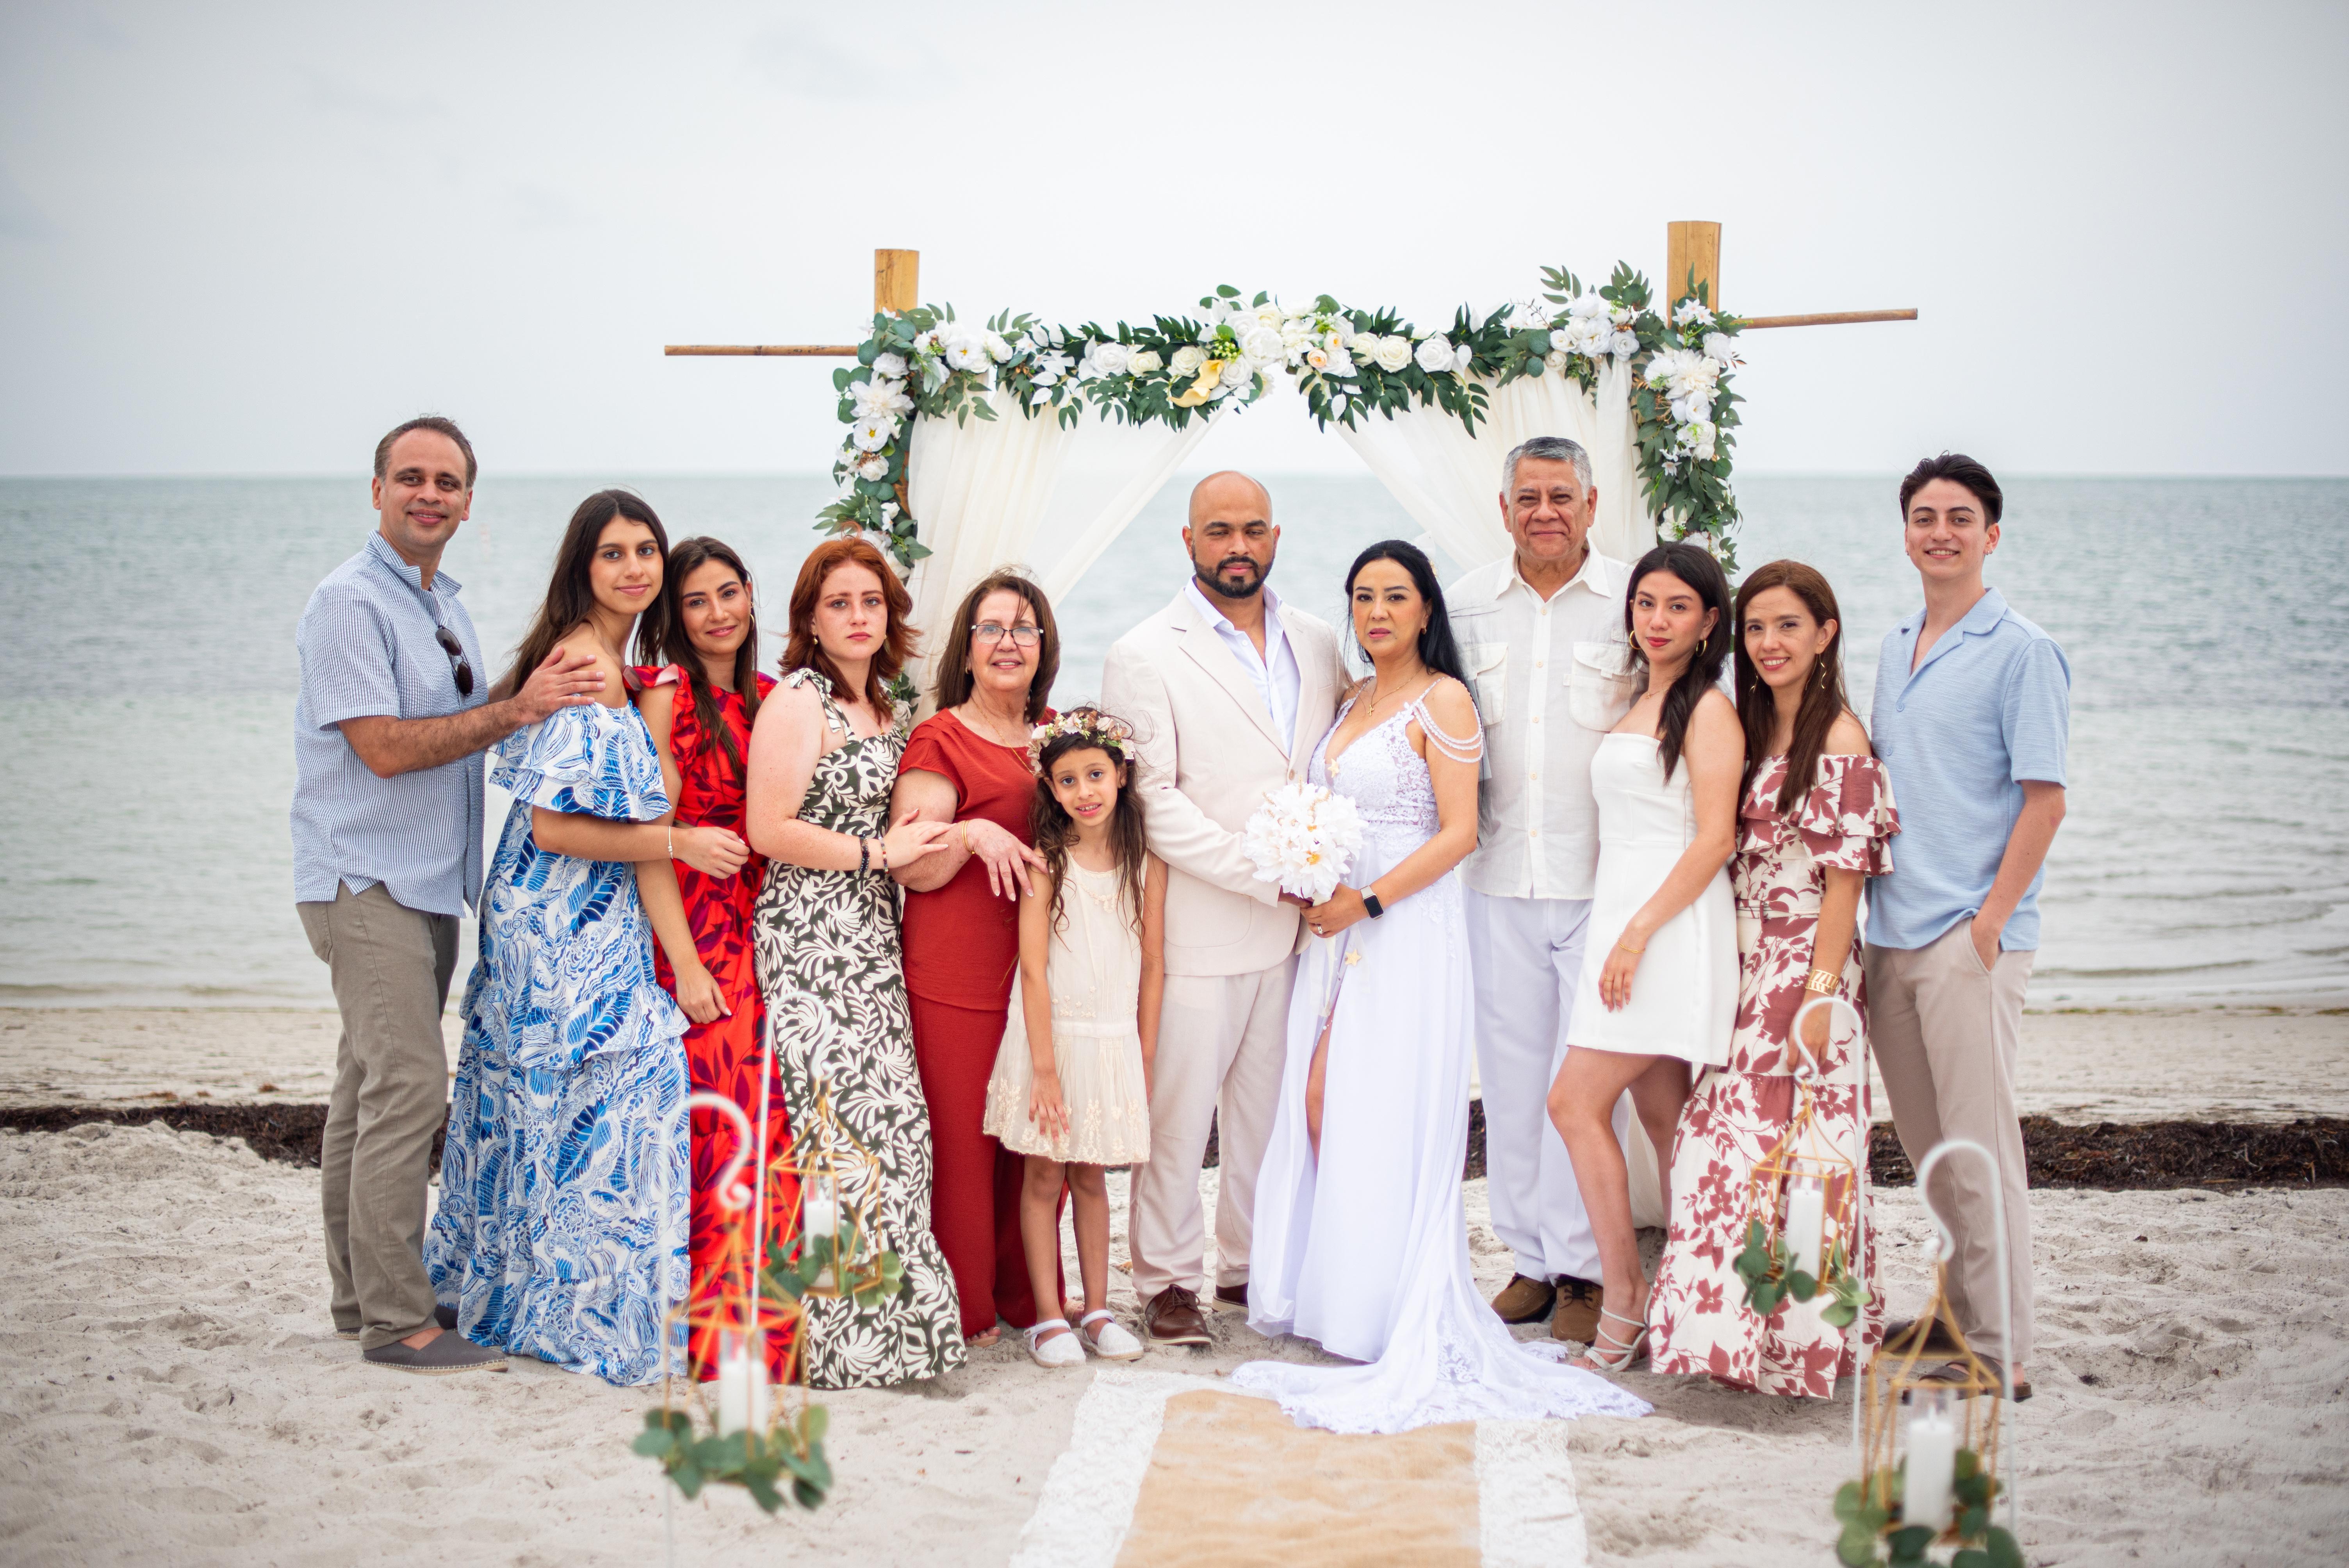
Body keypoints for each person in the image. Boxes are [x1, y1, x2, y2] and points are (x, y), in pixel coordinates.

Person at [1231, 542, 1650, 1434]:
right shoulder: (1350, 699)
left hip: (1404, 927)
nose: (1376, 612)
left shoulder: (1444, 699)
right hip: (1337, 925)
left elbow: (1459, 832)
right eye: (1362, 597)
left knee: (1367, 1103)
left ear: (1426, 609)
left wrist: (1367, 899)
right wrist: (1307, 869)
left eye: (1395, 596)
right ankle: (1340, 1293)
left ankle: (1384, 1302)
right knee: (1319, 1102)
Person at [292, 415, 602, 1376]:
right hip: (366, 877)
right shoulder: (349, 603)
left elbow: (469, 715)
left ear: (468, 504)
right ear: (377, 490)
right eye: (411, 477)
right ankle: (396, 1321)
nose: (429, 495)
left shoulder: (436, 604)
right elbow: (384, 748)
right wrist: (517, 709)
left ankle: (359, 1297)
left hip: (426, 884)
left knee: (366, 1092)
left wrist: (543, 685)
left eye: (448, 483)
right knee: (409, 1090)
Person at [427, 489, 722, 1386]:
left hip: (581, 915)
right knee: (611, 1097)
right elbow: (556, 828)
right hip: (555, 921)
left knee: (553, 1110)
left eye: (646, 551)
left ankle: (531, 1297)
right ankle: (570, 1310)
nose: (635, 568)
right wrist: (679, 845)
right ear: (582, 567)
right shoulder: (583, 664)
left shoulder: (614, 664)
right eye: (613, 553)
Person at [1099, 471, 1348, 1348]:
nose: (1237, 546)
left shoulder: (1318, 640)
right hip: (1198, 929)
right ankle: (1167, 1282)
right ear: (1188, 540)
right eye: (1218, 531)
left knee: (1266, 1120)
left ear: (1275, 536)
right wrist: (1265, 874)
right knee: (1177, 1120)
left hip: (1298, 936)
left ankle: (1248, 1266)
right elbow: (1153, 800)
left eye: (1252, 529)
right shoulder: (1142, 652)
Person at [1647, 560, 1895, 1397]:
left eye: (1788, 625)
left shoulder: (1840, 738)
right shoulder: (1752, 729)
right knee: (1729, 1151)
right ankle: (1730, 1341)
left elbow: (1846, 884)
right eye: (1755, 627)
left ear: (1826, 633)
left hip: (1805, 965)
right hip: (1742, 964)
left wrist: (1819, 998)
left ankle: (1794, 1348)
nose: (1768, 643)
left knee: (1794, 1158)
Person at [1865, 454, 2068, 1401]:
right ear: (1905, 533)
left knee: (1982, 1153)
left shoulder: (2022, 649)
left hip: (1966, 938)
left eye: (1957, 517)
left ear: (1990, 535)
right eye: (1922, 516)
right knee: (1931, 1152)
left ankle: (2000, 1348)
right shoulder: (1893, 643)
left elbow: (2044, 801)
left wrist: (1988, 923)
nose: (1937, 532)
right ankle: (1957, 1313)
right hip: (1888, 934)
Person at [745, 536, 961, 1388]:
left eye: (871, 601)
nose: (858, 616)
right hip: (809, 937)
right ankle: (848, 1348)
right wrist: (878, 853)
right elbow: (769, 829)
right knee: (842, 1136)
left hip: (871, 937)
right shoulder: (800, 701)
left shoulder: (886, 707)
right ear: (810, 619)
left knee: (896, 1130)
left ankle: (896, 1334)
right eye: (839, 603)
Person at [1443, 435, 1638, 1348]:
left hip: (1601, 882)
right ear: (1504, 508)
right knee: (1514, 1082)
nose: (1545, 512)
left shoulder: (1632, 601)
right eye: (1528, 497)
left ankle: (1585, 1268)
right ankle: (1528, 1260)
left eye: (1561, 496)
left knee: (1586, 1087)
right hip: (1494, 880)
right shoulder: (1464, 605)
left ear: (1591, 505)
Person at [1546, 542, 1742, 1373]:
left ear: (1708, 622)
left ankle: (1625, 1298)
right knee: (1667, 1122)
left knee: (1572, 1104)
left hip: (1667, 928)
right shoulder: (1641, 697)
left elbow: (1714, 839)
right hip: (1623, 916)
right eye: (1645, 603)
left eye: (1677, 607)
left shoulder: (1708, 710)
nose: (1657, 621)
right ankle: (1696, 1306)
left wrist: (1636, 934)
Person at [891, 570, 1065, 1349]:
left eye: (1023, 628)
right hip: (957, 972)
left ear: (1043, 647)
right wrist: (968, 833)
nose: (1007, 643)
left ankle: (1027, 1295)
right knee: (964, 1147)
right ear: (966, 648)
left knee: (1033, 1136)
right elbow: (913, 865)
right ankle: (964, 1306)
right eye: (991, 628)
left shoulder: (1058, 733)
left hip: (1043, 973)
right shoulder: (941, 739)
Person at [631, 535, 790, 1384]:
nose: (717, 612)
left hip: (771, 924)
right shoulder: (666, 694)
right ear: (675, 615)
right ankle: (717, 1332)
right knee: (723, 1122)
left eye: (728, 592)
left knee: (773, 1119)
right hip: (698, 927)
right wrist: (686, 966)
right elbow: (649, 839)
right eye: (696, 601)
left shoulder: (774, 698)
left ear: (751, 594)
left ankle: (769, 1320)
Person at [982, 709, 1162, 1368]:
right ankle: (1050, 1318)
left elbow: (1154, 964)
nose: (1084, 791)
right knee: (1044, 1175)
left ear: (1121, 775)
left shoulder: (1146, 863)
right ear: (1052, 790)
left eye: (1095, 775)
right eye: (1067, 780)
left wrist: (1143, 1054)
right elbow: (1033, 969)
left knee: (1092, 1176)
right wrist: (1045, 1070)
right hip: (1051, 1042)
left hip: (1111, 1041)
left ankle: (1098, 1311)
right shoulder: (1048, 863)